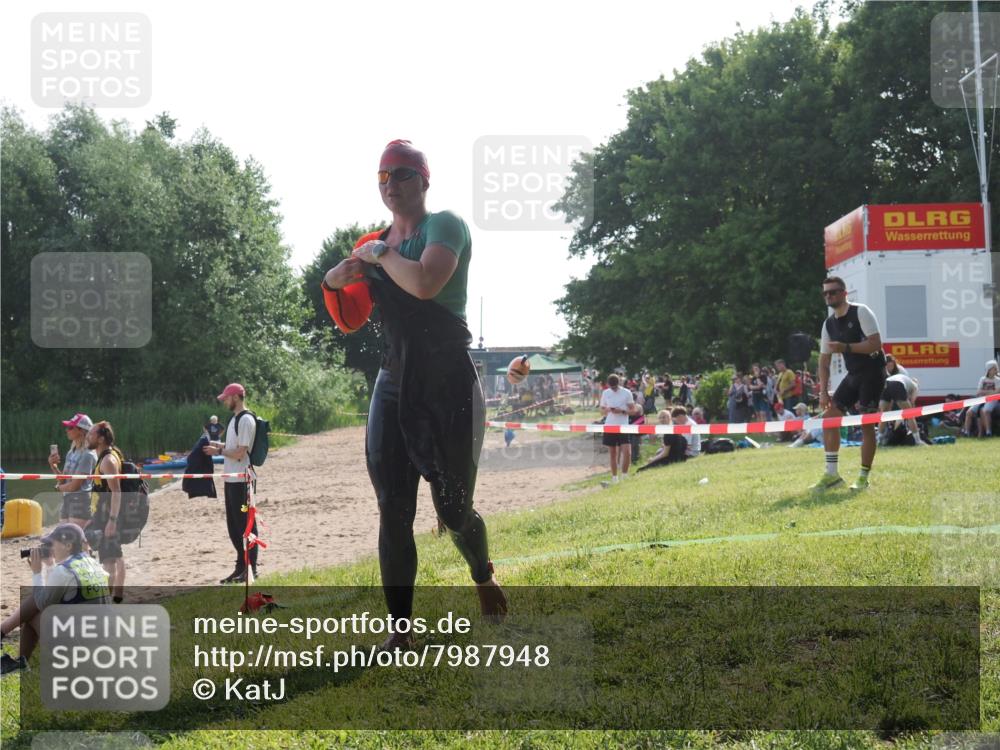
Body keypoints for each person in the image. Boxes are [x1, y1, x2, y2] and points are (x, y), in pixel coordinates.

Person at [321, 140, 505, 650]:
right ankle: (401, 632)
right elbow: (351, 320)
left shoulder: (445, 225)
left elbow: (424, 282)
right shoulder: (371, 240)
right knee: (393, 508)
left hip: (448, 384)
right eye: (382, 177)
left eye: (401, 174)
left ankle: (483, 575)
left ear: (424, 179)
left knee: (453, 509)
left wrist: (378, 255)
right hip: (395, 383)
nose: (390, 185)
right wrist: (333, 281)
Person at [0, 523, 110, 675]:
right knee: (37, 610)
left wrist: (37, 572)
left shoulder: (64, 570)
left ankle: (13, 650)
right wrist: (50, 565)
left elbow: (42, 602)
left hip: (78, 650)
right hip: (99, 644)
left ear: (68, 545)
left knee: (34, 612)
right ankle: (18, 659)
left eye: (52, 544)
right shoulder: (92, 564)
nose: (50, 548)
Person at [813, 276, 886, 491]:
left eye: (833, 292)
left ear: (844, 293)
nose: (829, 296)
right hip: (853, 374)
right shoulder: (828, 324)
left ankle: (863, 477)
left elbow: (876, 344)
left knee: (866, 424)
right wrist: (823, 392)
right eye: (825, 293)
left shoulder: (861, 311)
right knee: (829, 418)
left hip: (873, 373)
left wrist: (845, 347)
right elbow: (824, 361)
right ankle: (832, 475)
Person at [203, 383, 258, 584]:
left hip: (242, 480)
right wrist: (219, 446)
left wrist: (218, 452)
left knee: (246, 526)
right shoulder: (235, 419)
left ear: (235, 397)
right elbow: (233, 448)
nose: (224, 401)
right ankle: (240, 567)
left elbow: (240, 453)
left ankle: (251, 568)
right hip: (232, 479)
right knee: (234, 526)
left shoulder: (245, 420)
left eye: (226, 398)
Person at [87, 421, 126, 603]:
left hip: (108, 516)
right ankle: (116, 596)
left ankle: (107, 602)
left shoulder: (108, 460)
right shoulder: (106, 455)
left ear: (101, 438)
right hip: (102, 515)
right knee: (115, 557)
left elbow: (116, 491)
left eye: (91, 434)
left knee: (109, 561)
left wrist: (112, 520)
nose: (88, 436)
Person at [49, 413, 98, 530]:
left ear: (81, 430)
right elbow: (63, 480)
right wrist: (53, 465)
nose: (67, 430)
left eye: (70, 427)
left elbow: (75, 486)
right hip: (68, 499)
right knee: (63, 538)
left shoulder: (88, 454)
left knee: (77, 540)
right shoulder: (71, 452)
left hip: (80, 500)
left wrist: (58, 489)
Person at [878, 366, 928, 446]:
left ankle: (878, 439)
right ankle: (918, 441)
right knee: (910, 415)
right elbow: (912, 402)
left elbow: (891, 401)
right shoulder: (915, 386)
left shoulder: (905, 379)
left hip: (886, 383)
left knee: (883, 415)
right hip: (897, 384)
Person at [600, 374, 636, 483]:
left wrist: (622, 411)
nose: (613, 389)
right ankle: (614, 478)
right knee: (613, 453)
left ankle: (624, 475)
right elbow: (601, 410)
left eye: (615, 387)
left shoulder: (627, 392)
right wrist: (608, 409)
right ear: (608, 385)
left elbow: (633, 410)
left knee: (627, 452)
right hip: (610, 425)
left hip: (623, 425)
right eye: (611, 387)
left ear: (619, 383)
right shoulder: (606, 393)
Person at [963, 360, 999, 438]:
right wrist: (990, 392)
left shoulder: (998, 380)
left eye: (996, 368)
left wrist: (985, 392)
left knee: (986, 411)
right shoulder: (982, 379)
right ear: (989, 369)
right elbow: (978, 392)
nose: (996, 370)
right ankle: (966, 432)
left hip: (992, 400)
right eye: (994, 368)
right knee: (969, 412)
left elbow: (996, 393)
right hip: (981, 399)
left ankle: (988, 432)